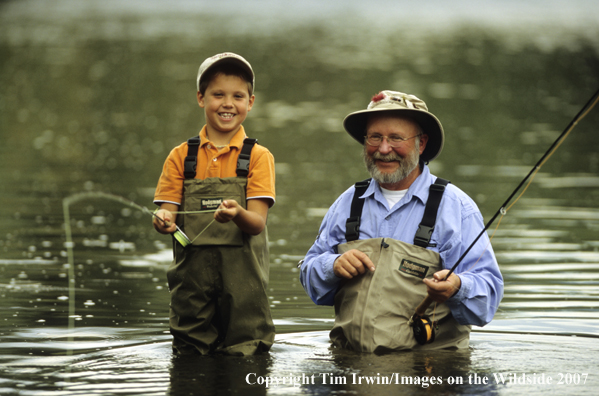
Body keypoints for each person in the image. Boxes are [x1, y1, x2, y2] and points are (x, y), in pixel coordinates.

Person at [300, 90, 503, 352]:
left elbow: (487, 301)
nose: (384, 149)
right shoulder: (347, 203)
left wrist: (458, 287)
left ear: (421, 143)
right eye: (375, 137)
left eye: (396, 138)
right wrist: (333, 265)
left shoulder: (457, 208)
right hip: (348, 364)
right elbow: (311, 279)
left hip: (430, 374)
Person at [153, 53, 275, 355]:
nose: (227, 103)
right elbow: (166, 209)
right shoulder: (181, 156)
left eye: (238, 96)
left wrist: (237, 215)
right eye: (217, 94)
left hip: (243, 287)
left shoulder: (259, 157)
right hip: (191, 286)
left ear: (251, 102)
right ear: (200, 98)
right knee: (189, 351)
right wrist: (162, 219)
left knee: (246, 351)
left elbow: (257, 224)